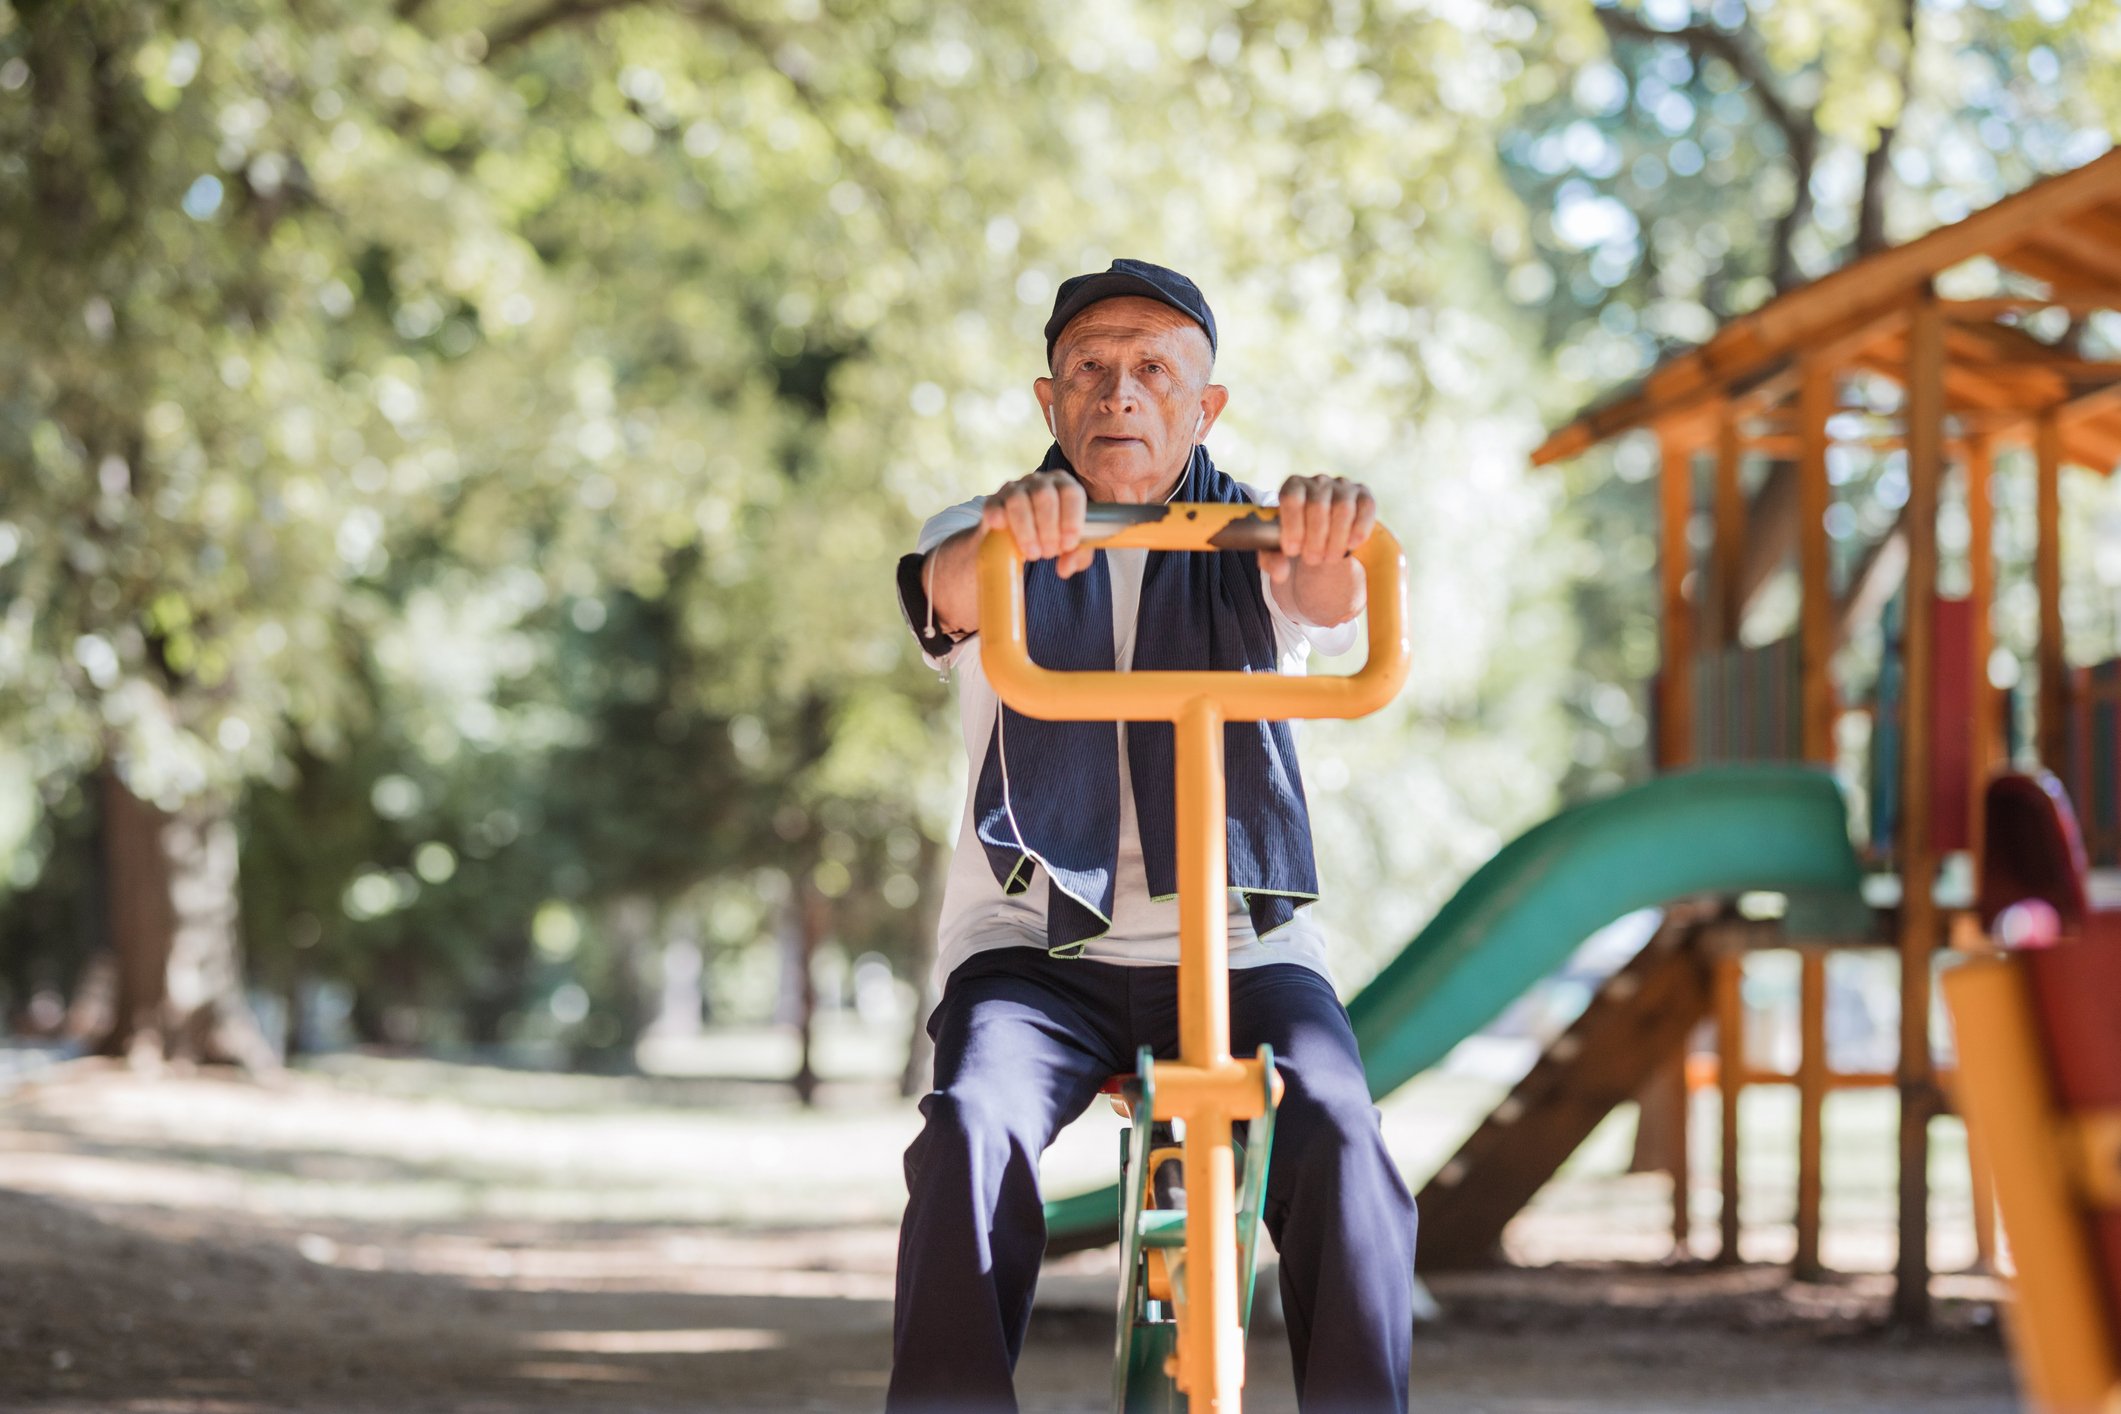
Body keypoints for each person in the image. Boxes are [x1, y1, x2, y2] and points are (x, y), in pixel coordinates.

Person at [889, 259, 1417, 1413]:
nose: (1119, 393)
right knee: (972, 1132)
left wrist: (1325, 545)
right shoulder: (989, 529)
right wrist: (1001, 543)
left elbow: (1325, 599)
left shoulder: (1252, 535)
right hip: (1036, 953)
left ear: (1203, 406)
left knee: (1340, 1129)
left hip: (1235, 947)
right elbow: (945, 590)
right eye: (1090, 369)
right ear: (1050, 402)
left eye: (1152, 369)